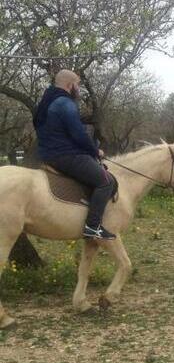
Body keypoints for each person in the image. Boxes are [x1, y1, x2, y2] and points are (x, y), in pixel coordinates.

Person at [33, 69, 116, 240]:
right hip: (66, 155)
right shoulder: (65, 103)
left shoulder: (46, 103)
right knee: (106, 181)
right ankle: (93, 227)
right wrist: (95, 150)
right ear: (70, 85)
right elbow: (79, 134)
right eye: (77, 84)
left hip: (48, 155)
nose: (78, 88)